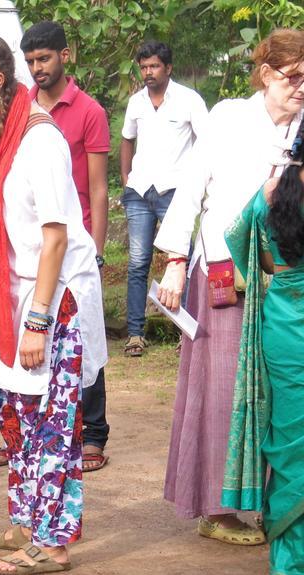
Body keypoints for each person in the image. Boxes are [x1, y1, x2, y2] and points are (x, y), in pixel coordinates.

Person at [0, 32, 107, 573]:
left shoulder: (40, 139)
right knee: (14, 413)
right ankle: (26, 518)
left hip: (52, 298)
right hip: (12, 294)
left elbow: (57, 236)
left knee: (54, 422)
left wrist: (38, 321)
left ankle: (53, 541)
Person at [154, 28, 304, 546]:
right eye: (294, 77)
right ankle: (219, 511)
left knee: (282, 394)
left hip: (287, 284)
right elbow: (193, 186)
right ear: (266, 75)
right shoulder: (228, 119)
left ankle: (275, 504)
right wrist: (175, 259)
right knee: (226, 394)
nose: (302, 87)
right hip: (225, 276)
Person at [0, 20, 114, 474]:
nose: (38, 68)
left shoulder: (48, 130)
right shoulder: (0, 129)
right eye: (30, 60)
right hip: (20, 275)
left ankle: (91, 441)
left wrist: (95, 246)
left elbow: (90, 192)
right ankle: (25, 517)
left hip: (59, 271)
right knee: (18, 410)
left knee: (56, 411)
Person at [225, 120, 304, 575]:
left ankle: (290, 561)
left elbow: (246, 245)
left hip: (281, 321)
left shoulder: (271, 191)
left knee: (291, 437)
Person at [120, 41, 208, 357]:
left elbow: (206, 142)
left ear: (168, 68)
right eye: (144, 67)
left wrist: (200, 182)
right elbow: (127, 139)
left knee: (179, 260)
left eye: (154, 66)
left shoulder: (189, 100)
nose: (148, 72)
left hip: (176, 192)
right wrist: (126, 178)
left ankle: (184, 335)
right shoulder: (136, 103)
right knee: (138, 264)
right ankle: (134, 334)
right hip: (140, 192)